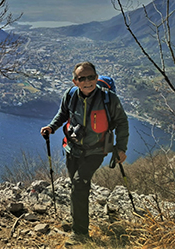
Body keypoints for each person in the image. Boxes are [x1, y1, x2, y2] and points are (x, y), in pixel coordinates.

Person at [40, 61, 129, 245]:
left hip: (96, 150)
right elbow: (63, 113)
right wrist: (51, 127)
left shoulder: (109, 98)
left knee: (79, 185)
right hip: (72, 148)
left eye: (91, 77)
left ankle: (80, 234)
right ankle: (77, 219)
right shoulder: (71, 95)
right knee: (76, 186)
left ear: (96, 78)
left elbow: (121, 122)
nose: (87, 81)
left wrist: (121, 148)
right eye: (82, 78)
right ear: (75, 81)